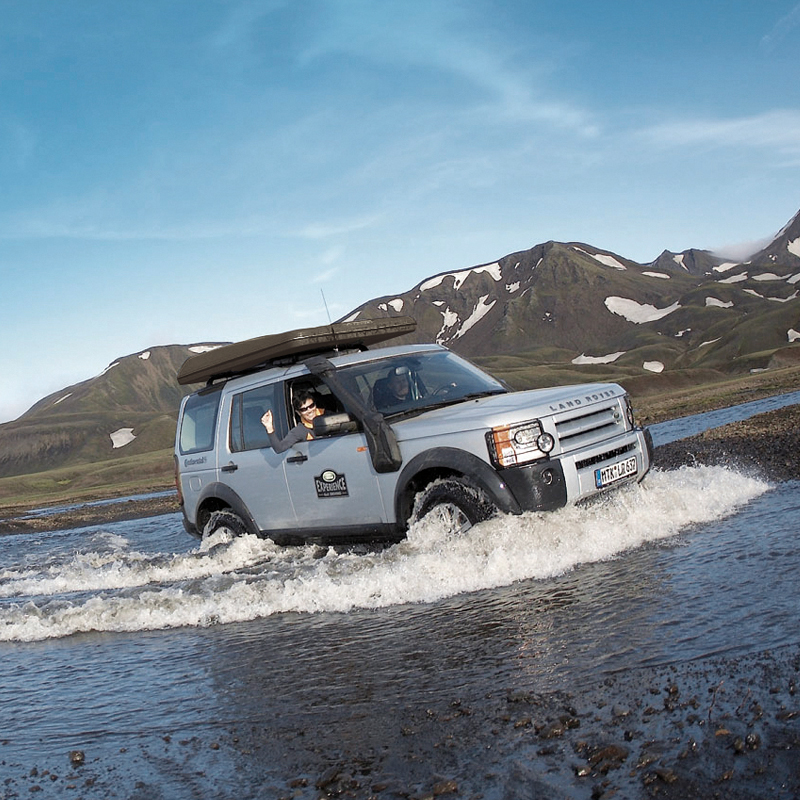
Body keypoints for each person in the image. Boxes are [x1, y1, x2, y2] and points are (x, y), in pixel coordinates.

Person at [260, 391, 325, 453]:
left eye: (311, 406)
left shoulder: (329, 415)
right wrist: (269, 428)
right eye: (304, 409)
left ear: (315, 405)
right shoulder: (299, 431)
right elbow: (279, 448)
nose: (309, 411)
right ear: (298, 412)